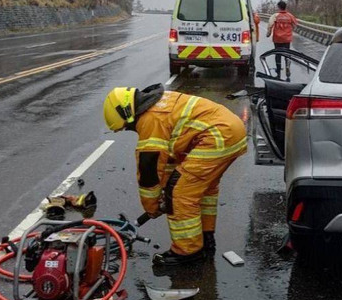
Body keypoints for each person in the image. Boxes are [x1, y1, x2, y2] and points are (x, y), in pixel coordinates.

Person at [102, 84, 247, 266]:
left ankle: (187, 253)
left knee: (180, 194)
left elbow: (150, 169)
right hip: (231, 131)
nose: (130, 129)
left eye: (126, 126)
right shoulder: (159, 103)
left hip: (216, 137)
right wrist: (164, 189)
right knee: (203, 190)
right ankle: (205, 239)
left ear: (127, 114)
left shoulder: (150, 119)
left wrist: (152, 205)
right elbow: (169, 158)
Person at [266, 1, 298, 77]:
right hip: (287, 38)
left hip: (277, 38)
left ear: (279, 7)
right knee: (287, 53)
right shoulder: (290, 16)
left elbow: (270, 25)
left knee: (278, 54)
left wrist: (268, 34)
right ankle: (287, 65)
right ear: (285, 7)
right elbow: (295, 25)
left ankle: (278, 68)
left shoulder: (275, 15)